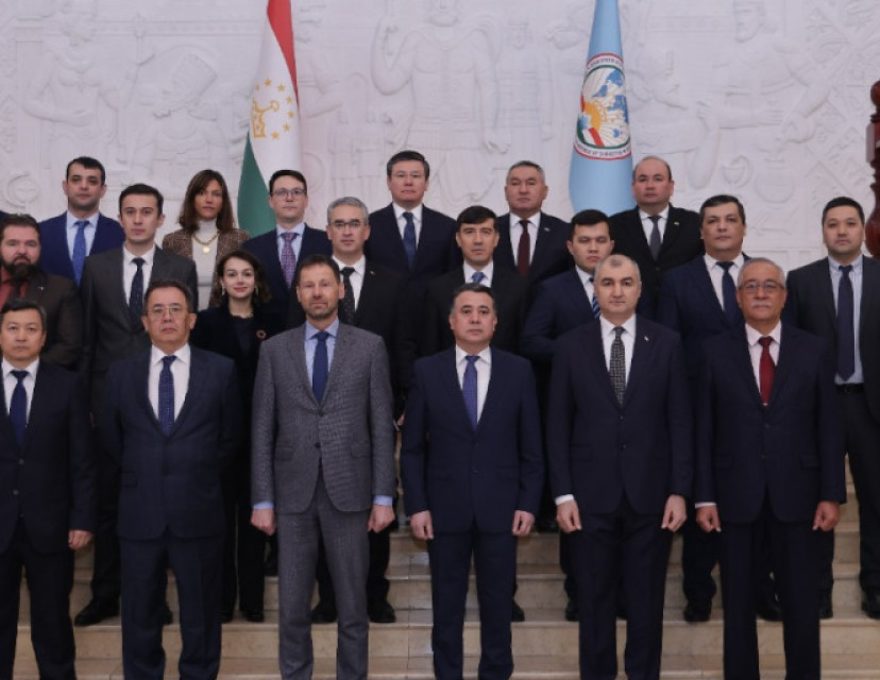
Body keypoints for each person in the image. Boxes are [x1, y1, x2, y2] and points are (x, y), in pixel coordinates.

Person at [696, 257, 845, 680]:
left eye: (769, 286)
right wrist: (704, 496)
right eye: (751, 287)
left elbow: (829, 427)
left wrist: (831, 493)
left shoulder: (814, 349)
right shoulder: (712, 351)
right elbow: (703, 429)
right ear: (738, 297)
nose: (760, 294)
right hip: (734, 497)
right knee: (738, 605)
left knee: (801, 604)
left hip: (799, 496)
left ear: (784, 296)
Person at [250, 254, 396, 680]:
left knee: (353, 606)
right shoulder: (274, 350)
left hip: (350, 492)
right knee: (293, 608)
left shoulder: (369, 346)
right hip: (292, 496)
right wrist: (262, 499)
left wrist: (384, 496)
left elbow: (381, 426)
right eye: (309, 286)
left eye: (325, 284)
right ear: (298, 295)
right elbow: (262, 428)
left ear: (340, 290)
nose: (318, 293)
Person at [548, 253, 692, 680]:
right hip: (588, 498)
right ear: (595, 289)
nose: (617, 291)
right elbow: (557, 424)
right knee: (594, 603)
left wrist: (679, 490)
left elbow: (680, 421)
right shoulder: (570, 345)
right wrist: (563, 493)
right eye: (608, 283)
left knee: (646, 603)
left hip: (652, 496)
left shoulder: (666, 342)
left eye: (626, 282)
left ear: (639, 290)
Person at [401, 282, 543, 680]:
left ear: (495, 322)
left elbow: (532, 447)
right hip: (444, 510)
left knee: (498, 607)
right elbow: (412, 449)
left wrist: (528, 502)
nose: (475, 318)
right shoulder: (427, 371)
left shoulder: (518, 371)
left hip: (502, 509)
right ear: (451, 321)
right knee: (446, 607)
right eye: (466, 311)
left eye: (484, 311)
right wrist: (417, 506)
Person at [101, 280, 241, 679]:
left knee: (201, 615)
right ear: (144, 322)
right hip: (139, 514)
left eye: (176, 309)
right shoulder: (120, 374)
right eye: (158, 310)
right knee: (139, 615)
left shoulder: (221, 371)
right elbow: (111, 441)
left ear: (191, 319)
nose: (167, 318)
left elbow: (230, 439)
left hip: (198, 511)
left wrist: (193, 473)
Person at [75, 183, 197, 628]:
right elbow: (88, 340)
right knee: (110, 501)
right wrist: (88, 402)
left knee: (157, 501)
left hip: (163, 399)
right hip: (108, 400)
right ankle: (105, 594)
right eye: (131, 211)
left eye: (147, 212)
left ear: (161, 219)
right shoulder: (97, 266)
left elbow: (187, 334)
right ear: (120, 217)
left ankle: (154, 598)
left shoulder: (179, 267)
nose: (139, 219)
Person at [657, 194, 779, 623]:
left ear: (744, 227)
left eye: (730, 219)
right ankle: (699, 592)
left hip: (759, 413)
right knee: (700, 502)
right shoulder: (677, 281)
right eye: (713, 220)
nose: (722, 227)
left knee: (760, 502)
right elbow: (669, 348)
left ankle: (761, 589)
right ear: (701, 231)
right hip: (698, 411)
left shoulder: (765, 278)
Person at [307, 197, 406, 626]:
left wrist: (402, 402)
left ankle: (373, 594)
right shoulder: (311, 280)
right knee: (322, 505)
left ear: (367, 230)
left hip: (374, 412)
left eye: (355, 224)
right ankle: (328, 597)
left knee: (375, 501)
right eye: (339, 224)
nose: (347, 231)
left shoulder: (394, 281)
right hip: (320, 412)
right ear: (328, 231)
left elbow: (403, 345)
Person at [785, 196, 878, 619]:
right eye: (833, 224)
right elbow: (790, 350)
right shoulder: (800, 281)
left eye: (850, 223)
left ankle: (875, 587)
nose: (842, 231)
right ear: (822, 231)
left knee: (875, 500)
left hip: (870, 407)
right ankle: (817, 590)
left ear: (863, 229)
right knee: (816, 499)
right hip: (818, 409)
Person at [520, 208, 615, 621]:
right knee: (578, 510)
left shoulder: (627, 286)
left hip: (626, 419)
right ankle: (578, 591)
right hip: (575, 418)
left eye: (600, 240)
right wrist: (579, 353)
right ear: (570, 246)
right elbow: (531, 339)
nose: (593, 248)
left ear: (611, 245)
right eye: (585, 241)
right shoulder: (552, 289)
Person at [0, 299, 95, 680]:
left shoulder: (67, 385)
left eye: (31, 329)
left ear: (44, 337)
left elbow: (82, 459)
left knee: (53, 621)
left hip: (52, 526)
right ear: (1, 334)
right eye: (12, 328)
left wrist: (82, 518)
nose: (21, 337)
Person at [191, 250, 285, 624]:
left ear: (256, 279)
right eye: (232, 274)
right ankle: (222, 600)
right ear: (221, 281)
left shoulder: (274, 321)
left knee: (255, 520)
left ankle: (253, 600)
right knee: (220, 525)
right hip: (218, 438)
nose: (240, 280)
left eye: (247, 273)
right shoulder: (205, 324)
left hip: (264, 437)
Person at [421, 205, 527, 357]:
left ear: (496, 239)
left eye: (486, 232)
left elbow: (524, 345)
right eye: (469, 232)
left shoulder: (519, 287)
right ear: (458, 239)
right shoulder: (437, 289)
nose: (478, 240)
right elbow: (430, 348)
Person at [610, 156, 701, 317]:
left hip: (686, 316)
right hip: (632, 316)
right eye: (642, 179)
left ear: (671, 186)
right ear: (633, 187)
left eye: (658, 179)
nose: (650, 186)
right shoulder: (614, 226)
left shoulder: (694, 223)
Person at [242, 169, 331, 316]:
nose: (289, 198)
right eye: (281, 192)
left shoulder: (328, 243)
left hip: (316, 325)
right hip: (267, 328)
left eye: (296, 192)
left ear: (306, 200)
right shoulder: (251, 249)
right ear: (270, 201)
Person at [0, 213, 82, 369]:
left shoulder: (61, 288)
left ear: (40, 248)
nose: (22, 251)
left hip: (41, 378)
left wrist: (26, 370)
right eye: (13, 244)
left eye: (30, 244)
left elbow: (69, 347)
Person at [365, 150, 458, 286]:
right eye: (401, 175)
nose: (408, 182)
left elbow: (453, 276)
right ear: (389, 182)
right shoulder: (369, 225)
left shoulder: (447, 227)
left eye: (415, 176)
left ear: (426, 183)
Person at [162, 169, 250, 309]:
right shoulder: (172, 241)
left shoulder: (240, 239)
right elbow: (166, 290)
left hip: (226, 318)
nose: (209, 200)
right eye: (202, 193)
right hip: (184, 319)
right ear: (192, 199)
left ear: (223, 201)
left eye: (216, 194)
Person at [38, 156, 124, 285]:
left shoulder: (120, 233)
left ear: (102, 190)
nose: (84, 186)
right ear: (65, 187)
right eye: (76, 180)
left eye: (92, 181)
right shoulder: (41, 232)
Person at [494, 161, 571, 291]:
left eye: (531, 183)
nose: (523, 190)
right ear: (506, 192)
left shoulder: (564, 232)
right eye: (515, 183)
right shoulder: (490, 230)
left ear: (545, 191)